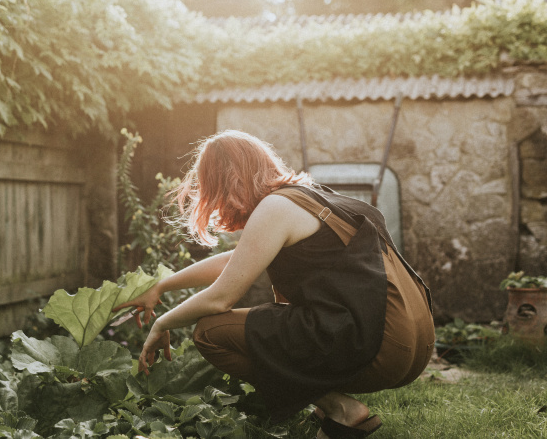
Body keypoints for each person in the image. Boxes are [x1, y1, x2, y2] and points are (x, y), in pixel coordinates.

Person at [113, 130, 435, 439]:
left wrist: (163, 322)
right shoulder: (307, 198)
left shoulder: (275, 208)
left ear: (230, 180)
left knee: (209, 333)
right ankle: (328, 407)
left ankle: (341, 409)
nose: (215, 202)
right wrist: (163, 286)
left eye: (211, 189)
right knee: (278, 319)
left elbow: (220, 299)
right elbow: (235, 261)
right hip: (414, 345)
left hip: (382, 346)